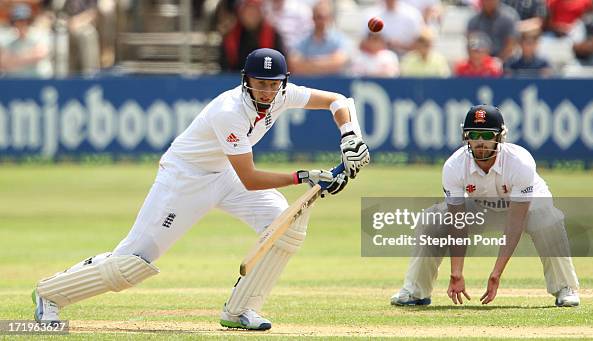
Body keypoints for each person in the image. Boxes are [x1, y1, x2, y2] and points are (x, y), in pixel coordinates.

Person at [32, 48, 370, 331]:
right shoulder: (229, 111)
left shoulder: (282, 95)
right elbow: (251, 178)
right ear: (245, 81)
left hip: (225, 174)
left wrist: (350, 136)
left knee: (286, 223)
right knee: (132, 264)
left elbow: (339, 100)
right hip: (185, 180)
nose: (266, 92)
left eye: (273, 84)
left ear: (283, 83)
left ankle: (239, 311)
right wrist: (305, 176)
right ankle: (50, 294)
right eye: (259, 83)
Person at [390, 105, 580, 308]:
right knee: (433, 220)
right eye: (474, 134)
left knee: (548, 219)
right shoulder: (454, 166)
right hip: (481, 206)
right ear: (466, 136)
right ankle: (416, 291)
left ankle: (565, 288)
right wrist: (456, 272)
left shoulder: (520, 163)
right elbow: (457, 221)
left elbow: (515, 223)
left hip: (527, 207)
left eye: (487, 135)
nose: (480, 142)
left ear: (500, 137)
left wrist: (496, 274)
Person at [288, 0, 350, 75]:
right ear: (313, 18)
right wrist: (328, 62)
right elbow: (294, 64)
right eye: (319, 17)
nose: (322, 21)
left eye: (325, 17)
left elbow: (339, 62)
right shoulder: (302, 40)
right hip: (308, 83)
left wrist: (308, 63)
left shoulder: (340, 39)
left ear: (331, 18)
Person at [220, 0, 285, 72]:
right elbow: (225, 67)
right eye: (248, 11)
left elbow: (279, 64)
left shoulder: (273, 35)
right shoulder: (230, 37)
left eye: (255, 11)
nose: (251, 15)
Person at [0, 3, 52, 77]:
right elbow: (3, 62)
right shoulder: (7, 38)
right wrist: (29, 57)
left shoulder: (39, 35)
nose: (22, 23)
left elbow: (40, 55)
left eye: (25, 20)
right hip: (14, 80)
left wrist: (14, 60)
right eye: (18, 20)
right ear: (13, 22)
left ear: (30, 21)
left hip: (36, 79)